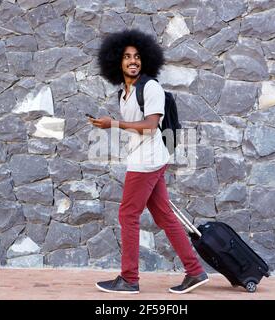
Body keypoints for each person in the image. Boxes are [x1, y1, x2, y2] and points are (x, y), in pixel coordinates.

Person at [89, 29, 208, 294]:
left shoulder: (150, 87)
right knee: (164, 215)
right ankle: (195, 271)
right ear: (117, 62)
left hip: (147, 161)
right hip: (144, 157)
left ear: (145, 60)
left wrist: (114, 123)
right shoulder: (124, 93)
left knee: (128, 215)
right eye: (127, 57)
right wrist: (110, 125)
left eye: (137, 56)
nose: (133, 61)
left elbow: (151, 126)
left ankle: (129, 278)